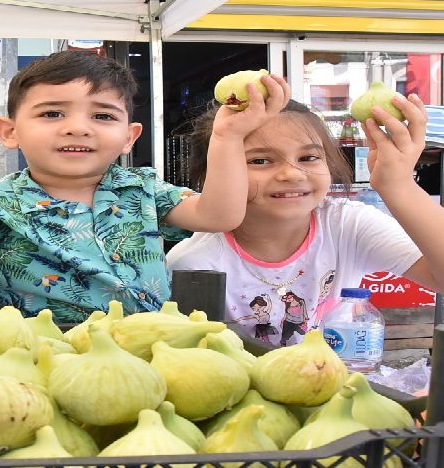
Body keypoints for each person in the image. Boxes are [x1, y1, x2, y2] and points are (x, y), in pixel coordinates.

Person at [0, 50, 290, 323]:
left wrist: (228, 138)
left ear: (130, 137)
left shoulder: (144, 189)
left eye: (103, 116)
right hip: (38, 359)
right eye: (52, 113)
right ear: (8, 131)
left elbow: (220, 215)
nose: (78, 127)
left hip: (146, 351)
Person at [167, 96, 444, 346]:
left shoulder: (347, 224)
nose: (292, 174)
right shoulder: (193, 264)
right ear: (212, 177)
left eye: (308, 157)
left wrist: (398, 185)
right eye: (260, 161)